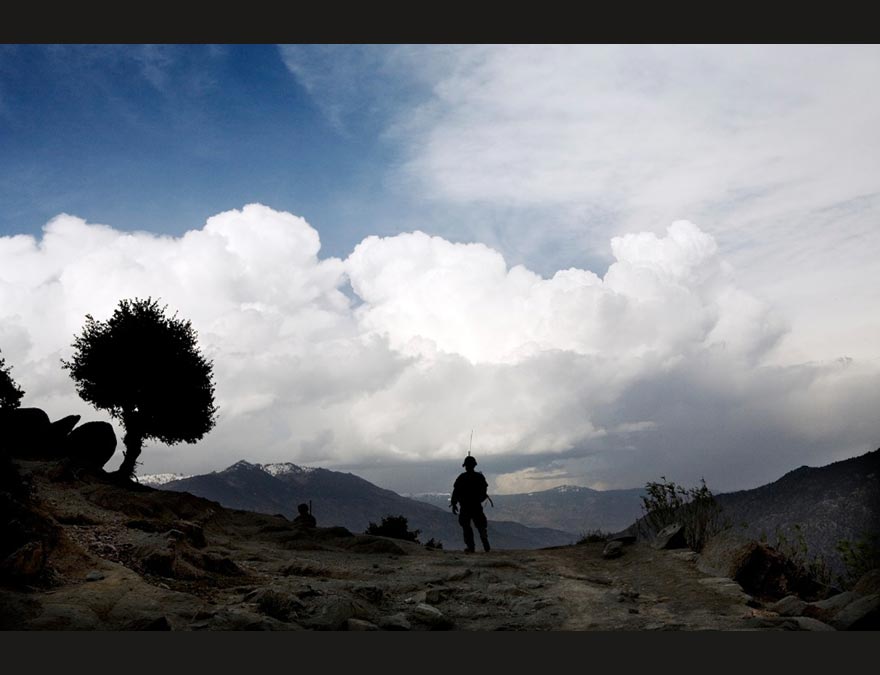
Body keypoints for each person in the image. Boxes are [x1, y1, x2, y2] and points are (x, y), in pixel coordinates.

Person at [451, 454, 491, 553]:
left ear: (466, 466)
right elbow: (484, 491)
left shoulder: (462, 477)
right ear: (474, 465)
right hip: (476, 505)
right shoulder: (479, 477)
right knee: (480, 525)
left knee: (466, 526)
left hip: (465, 506)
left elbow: (456, 492)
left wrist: (454, 503)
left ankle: (471, 547)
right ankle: (484, 542)